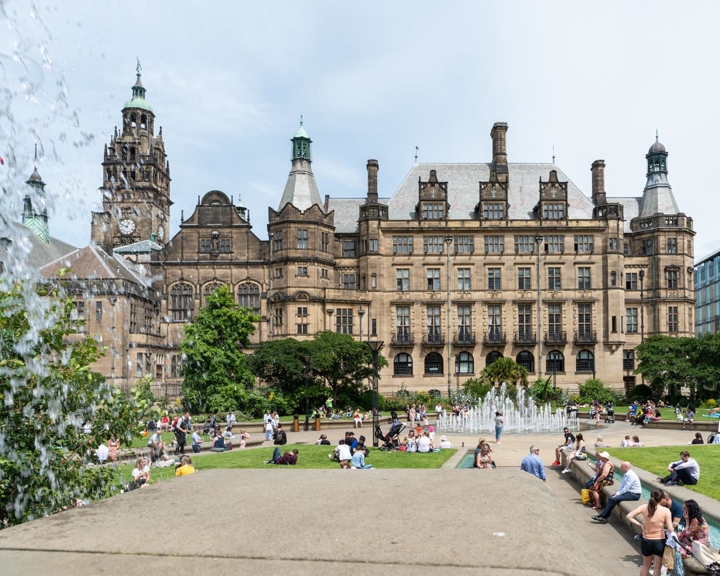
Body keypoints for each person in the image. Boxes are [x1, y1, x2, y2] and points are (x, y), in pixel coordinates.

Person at [626, 489, 675, 576]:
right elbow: (671, 529)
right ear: (662, 499)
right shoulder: (666, 511)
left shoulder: (644, 507)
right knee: (657, 568)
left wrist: (640, 525)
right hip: (659, 541)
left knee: (645, 566)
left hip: (646, 540)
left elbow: (629, 516)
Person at [675, 499, 710, 574]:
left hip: (698, 545)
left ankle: (679, 572)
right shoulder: (697, 517)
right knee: (678, 539)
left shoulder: (695, 520)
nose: (682, 510)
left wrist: (687, 519)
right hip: (696, 542)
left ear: (690, 509)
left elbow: (688, 533)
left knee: (678, 550)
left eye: (684, 508)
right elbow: (688, 533)